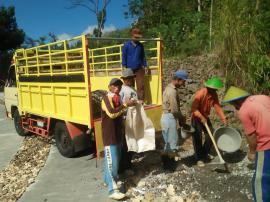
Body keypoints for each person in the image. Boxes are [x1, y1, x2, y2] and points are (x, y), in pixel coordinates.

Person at [223, 86, 270, 202]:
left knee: (260, 180)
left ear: (236, 102)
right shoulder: (263, 97)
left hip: (266, 144)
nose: (235, 107)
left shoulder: (244, 110)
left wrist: (252, 151)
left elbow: (251, 135)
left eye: (234, 105)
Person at [101, 78, 136, 200]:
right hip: (110, 134)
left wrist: (127, 106)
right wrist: (125, 105)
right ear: (109, 86)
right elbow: (111, 113)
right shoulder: (106, 99)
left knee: (111, 160)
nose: (118, 88)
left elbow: (120, 112)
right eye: (115, 86)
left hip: (117, 133)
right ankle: (112, 190)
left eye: (119, 86)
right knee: (112, 162)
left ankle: (107, 180)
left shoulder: (117, 98)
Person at [191, 77, 227, 167]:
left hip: (205, 117)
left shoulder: (214, 94)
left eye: (216, 89)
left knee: (211, 134)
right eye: (214, 89)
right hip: (196, 117)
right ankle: (198, 158)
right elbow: (193, 109)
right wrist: (200, 117)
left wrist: (224, 118)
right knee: (197, 138)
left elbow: (217, 107)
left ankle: (204, 153)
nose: (215, 91)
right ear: (209, 87)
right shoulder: (200, 94)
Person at [160, 70, 188, 170]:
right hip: (169, 117)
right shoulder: (172, 91)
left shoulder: (168, 88)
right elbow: (175, 110)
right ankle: (171, 166)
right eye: (183, 82)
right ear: (178, 79)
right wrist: (182, 118)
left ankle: (166, 165)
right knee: (172, 143)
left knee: (167, 142)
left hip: (165, 117)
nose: (184, 84)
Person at [118, 68, 138, 173]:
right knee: (126, 144)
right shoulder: (122, 91)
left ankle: (128, 165)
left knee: (131, 142)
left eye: (132, 78)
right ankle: (124, 167)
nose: (131, 80)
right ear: (125, 79)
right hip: (127, 119)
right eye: (129, 78)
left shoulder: (132, 89)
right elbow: (121, 106)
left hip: (132, 119)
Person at [122, 28, 148, 100]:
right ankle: (132, 101)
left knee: (141, 86)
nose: (137, 39)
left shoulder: (140, 46)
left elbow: (143, 56)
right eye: (135, 37)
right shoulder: (126, 45)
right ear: (132, 36)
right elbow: (124, 56)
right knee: (130, 86)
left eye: (138, 37)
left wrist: (145, 66)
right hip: (129, 69)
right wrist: (124, 66)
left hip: (139, 68)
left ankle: (141, 102)